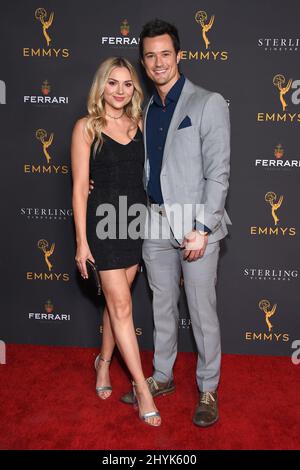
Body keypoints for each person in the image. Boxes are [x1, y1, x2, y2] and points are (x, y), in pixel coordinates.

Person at [119, 19, 231, 428]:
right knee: (161, 307)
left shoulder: (208, 102)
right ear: (144, 62)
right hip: (154, 221)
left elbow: (218, 173)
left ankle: (207, 387)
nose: (158, 62)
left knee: (201, 311)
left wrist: (202, 227)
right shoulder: (146, 106)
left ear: (179, 56)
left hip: (194, 224)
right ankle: (162, 377)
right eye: (150, 56)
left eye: (166, 54)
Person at [71, 57, 161, 427]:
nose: (120, 91)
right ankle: (142, 388)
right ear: (101, 87)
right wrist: (81, 242)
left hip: (134, 223)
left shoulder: (141, 125)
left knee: (115, 303)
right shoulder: (86, 128)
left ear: (134, 90)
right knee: (122, 307)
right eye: (112, 83)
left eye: (127, 84)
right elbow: (79, 188)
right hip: (102, 227)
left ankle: (103, 363)